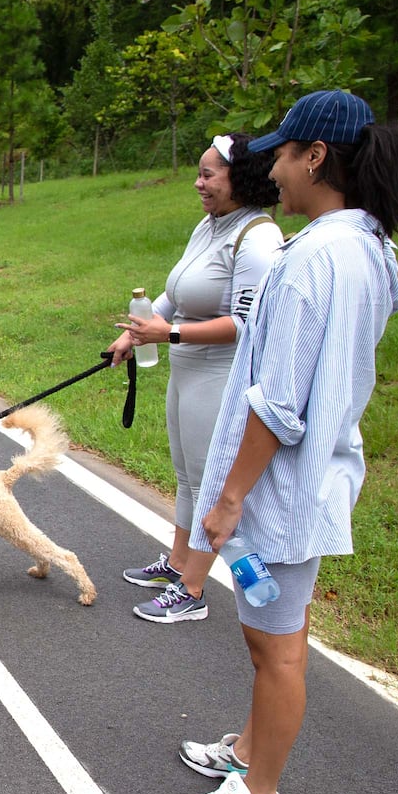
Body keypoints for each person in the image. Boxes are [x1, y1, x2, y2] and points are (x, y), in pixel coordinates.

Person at [172, 90, 398, 794]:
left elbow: (279, 403)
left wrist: (231, 497)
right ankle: (249, 752)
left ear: (316, 157)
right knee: (273, 632)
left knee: (276, 647)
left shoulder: (314, 258)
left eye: (281, 154)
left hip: (280, 485)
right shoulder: (369, 245)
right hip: (311, 473)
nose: (272, 170)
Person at [110, 134, 284, 624]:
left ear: (240, 179)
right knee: (188, 475)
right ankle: (178, 562)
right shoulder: (209, 226)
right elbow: (175, 293)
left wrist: (170, 334)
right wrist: (137, 334)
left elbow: (246, 323)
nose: (198, 182)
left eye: (209, 174)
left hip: (221, 376)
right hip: (188, 370)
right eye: (200, 172)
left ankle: (193, 590)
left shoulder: (259, 238)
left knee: (211, 479)